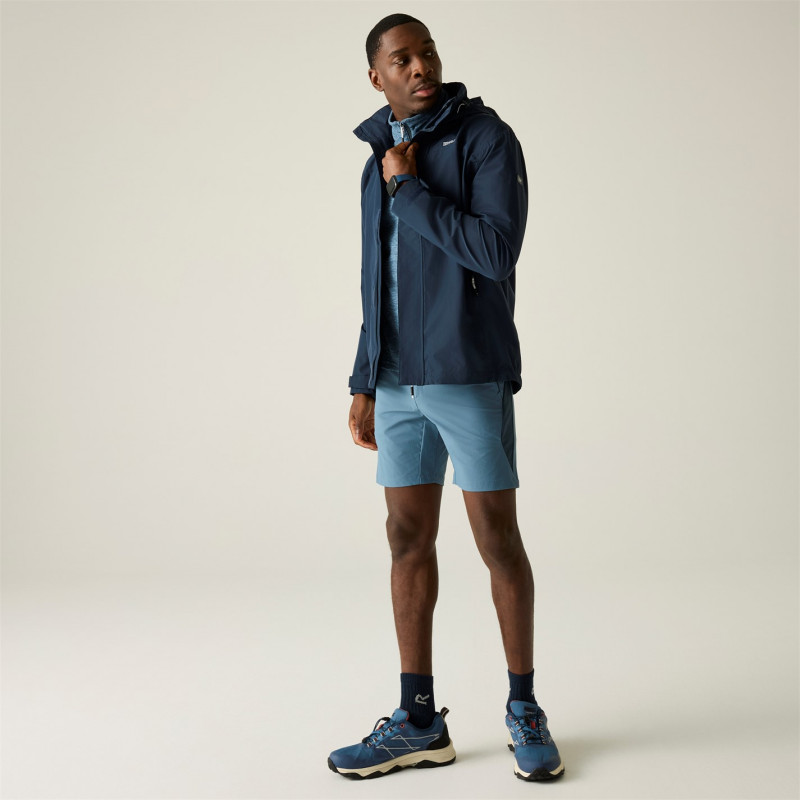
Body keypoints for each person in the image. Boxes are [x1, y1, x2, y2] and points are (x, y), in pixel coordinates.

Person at [327, 13, 564, 783]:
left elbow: (494, 251)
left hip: (467, 374)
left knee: (497, 540)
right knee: (405, 539)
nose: (420, 66)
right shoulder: (376, 163)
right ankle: (419, 720)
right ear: (377, 77)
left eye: (426, 52)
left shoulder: (485, 139)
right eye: (401, 59)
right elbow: (377, 283)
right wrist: (364, 379)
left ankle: (524, 706)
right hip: (395, 382)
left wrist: (409, 189)